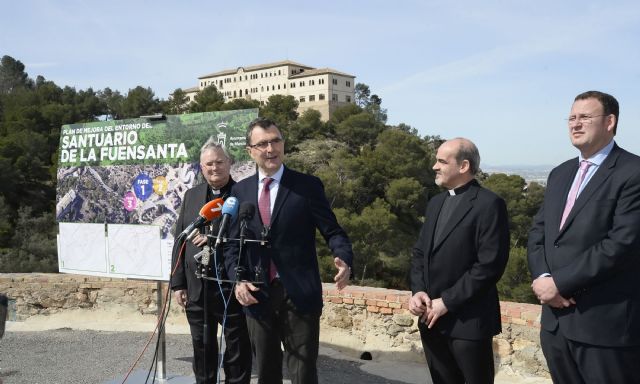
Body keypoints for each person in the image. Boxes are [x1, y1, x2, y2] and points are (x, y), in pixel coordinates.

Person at [225, 118, 353, 384]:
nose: (270, 149)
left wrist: (344, 258)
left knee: (303, 373)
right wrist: (237, 280)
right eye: (262, 144)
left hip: (299, 294)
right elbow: (231, 245)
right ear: (250, 150)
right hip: (256, 296)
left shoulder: (307, 186)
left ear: (283, 145)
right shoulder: (240, 190)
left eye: (275, 141)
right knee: (266, 373)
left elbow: (333, 231)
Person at [528, 91, 640, 383]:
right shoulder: (560, 173)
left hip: (604, 326)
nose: (575, 124)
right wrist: (541, 277)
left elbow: (622, 244)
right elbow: (539, 232)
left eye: (585, 117)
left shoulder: (633, 172)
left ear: (610, 121)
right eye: (572, 118)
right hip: (555, 325)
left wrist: (560, 284)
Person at [409, 138, 510, 384]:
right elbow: (420, 253)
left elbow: (489, 265)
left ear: (463, 166)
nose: (434, 166)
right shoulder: (436, 203)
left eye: (442, 161)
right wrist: (418, 290)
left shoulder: (489, 204)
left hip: (469, 321)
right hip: (430, 319)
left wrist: (447, 302)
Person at [171, 138, 251, 384]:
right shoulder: (192, 196)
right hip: (197, 289)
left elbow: (249, 240)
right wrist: (177, 284)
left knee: (237, 352)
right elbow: (180, 240)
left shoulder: (244, 195)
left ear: (229, 163)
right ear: (201, 167)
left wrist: (214, 239)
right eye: (208, 164)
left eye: (219, 162)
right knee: (202, 349)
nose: (214, 168)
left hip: (230, 288)